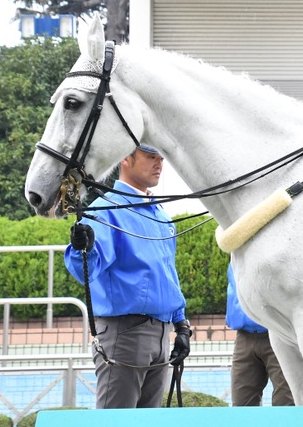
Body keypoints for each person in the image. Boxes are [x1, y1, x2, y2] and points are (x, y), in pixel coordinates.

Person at [65, 144, 192, 409]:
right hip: (125, 334)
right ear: (125, 157)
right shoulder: (105, 210)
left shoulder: (160, 215)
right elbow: (84, 270)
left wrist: (181, 326)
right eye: (150, 157)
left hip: (160, 334)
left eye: (161, 158)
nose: (159, 164)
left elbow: (168, 276)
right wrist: (81, 248)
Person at [226, 263, 294, 406]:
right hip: (244, 336)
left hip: (279, 333)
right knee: (241, 404)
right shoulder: (236, 253)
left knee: (286, 402)